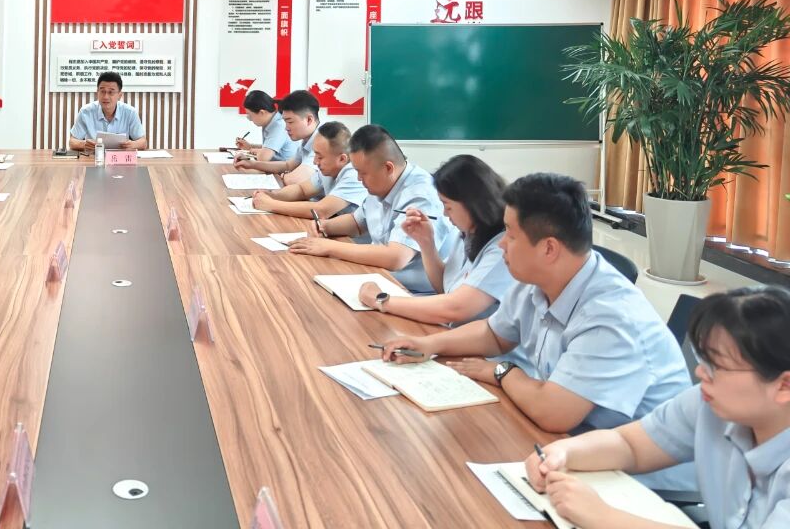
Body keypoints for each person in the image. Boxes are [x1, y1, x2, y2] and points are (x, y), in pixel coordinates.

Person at [382, 173, 693, 489]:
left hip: (641, 482)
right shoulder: (539, 280)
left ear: (549, 249)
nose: (501, 244)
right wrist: (430, 344)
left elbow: (553, 412)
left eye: (510, 235)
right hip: (572, 445)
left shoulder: (611, 316)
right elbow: (494, 334)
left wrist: (502, 372)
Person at [523, 286, 790, 528]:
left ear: (784, 386)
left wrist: (603, 517)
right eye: (703, 360)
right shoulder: (707, 404)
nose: (700, 373)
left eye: (716, 366)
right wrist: (562, 452)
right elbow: (630, 445)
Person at [289, 125, 455, 293]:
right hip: (377, 278)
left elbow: (396, 257)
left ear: (388, 168)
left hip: (412, 293)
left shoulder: (421, 195)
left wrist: (328, 247)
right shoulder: (382, 183)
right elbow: (357, 222)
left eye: (363, 173)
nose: (359, 178)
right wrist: (325, 226)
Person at [357, 154, 517, 325]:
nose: (444, 213)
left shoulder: (502, 248)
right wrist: (426, 243)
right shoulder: (467, 232)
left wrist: (381, 300)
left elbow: (455, 308)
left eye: (447, 206)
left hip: (473, 340)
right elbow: (444, 287)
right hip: (452, 331)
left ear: (472, 204)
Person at [250, 122, 365, 220]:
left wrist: (271, 204)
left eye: (320, 157)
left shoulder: (354, 175)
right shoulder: (329, 170)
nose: (315, 162)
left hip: (351, 238)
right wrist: (272, 195)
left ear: (342, 159)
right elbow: (302, 190)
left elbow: (321, 211)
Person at [232, 90, 320, 182]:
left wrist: (283, 175)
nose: (286, 128)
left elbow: (293, 180)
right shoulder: (306, 141)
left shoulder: (321, 142)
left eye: (290, 122)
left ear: (309, 120)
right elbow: (287, 165)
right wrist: (251, 164)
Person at [68, 72, 147, 152]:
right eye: (102, 91)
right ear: (97, 92)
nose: (105, 97)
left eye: (111, 92)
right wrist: (84, 144)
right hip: (94, 157)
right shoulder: (86, 112)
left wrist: (132, 145)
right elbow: (72, 142)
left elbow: (143, 142)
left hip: (120, 158)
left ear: (119, 95)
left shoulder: (130, 112)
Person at [233, 90, 298, 162]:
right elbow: (268, 148)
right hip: (276, 166)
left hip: (285, 168)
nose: (249, 119)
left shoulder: (279, 126)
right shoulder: (269, 123)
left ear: (261, 113)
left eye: (250, 115)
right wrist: (250, 146)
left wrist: (251, 150)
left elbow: (263, 158)